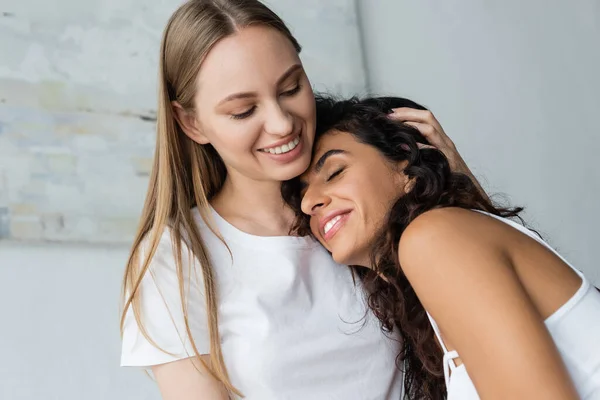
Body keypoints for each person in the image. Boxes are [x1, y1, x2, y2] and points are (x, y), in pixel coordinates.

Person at [119, 1, 472, 399]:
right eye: (244, 110)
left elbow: (488, 323)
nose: (282, 122)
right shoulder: (177, 259)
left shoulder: (364, 197)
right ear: (191, 122)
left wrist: (455, 186)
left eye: (291, 88)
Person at [286, 95, 600, 400]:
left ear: (404, 161)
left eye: (335, 172)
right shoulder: (446, 247)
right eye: (302, 195)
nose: (310, 201)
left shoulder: (432, 237)